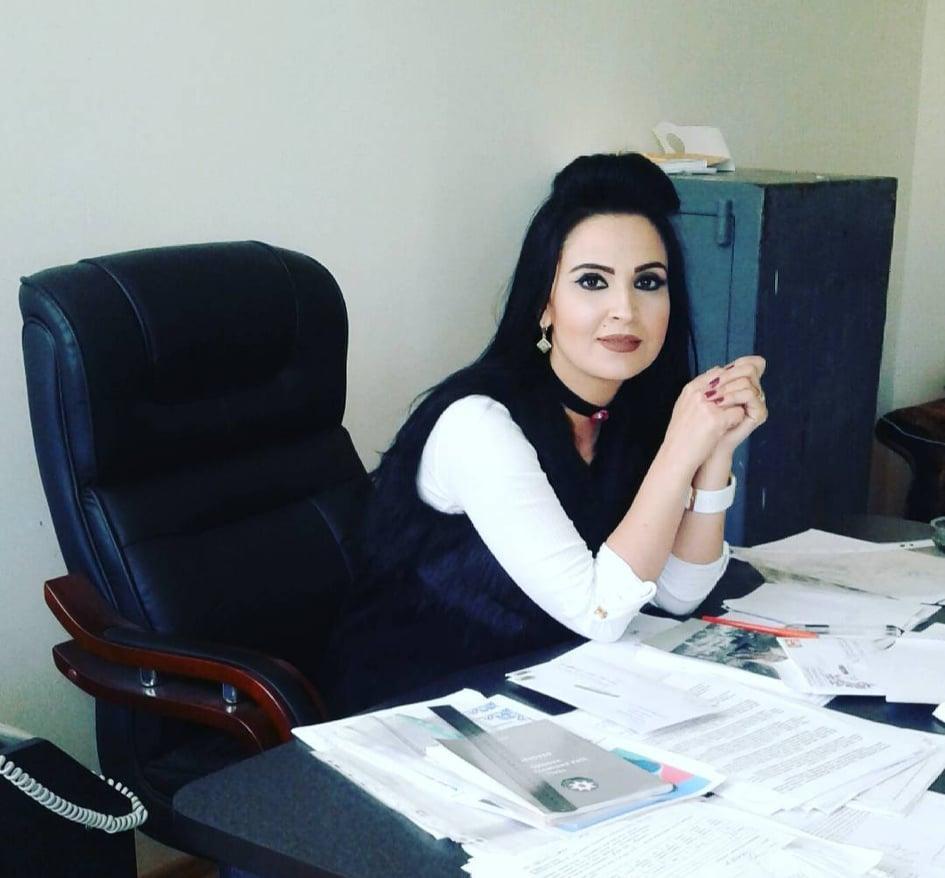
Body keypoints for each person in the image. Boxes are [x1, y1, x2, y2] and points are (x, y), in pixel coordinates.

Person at [323, 153, 767, 716]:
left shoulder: (627, 413)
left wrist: (715, 451)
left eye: (648, 282)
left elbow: (679, 594)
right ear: (543, 306)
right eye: (592, 282)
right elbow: (600, 612)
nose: (625, 310)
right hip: (416, 706)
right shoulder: (478, 424)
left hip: (546, 685)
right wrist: (682, 448)